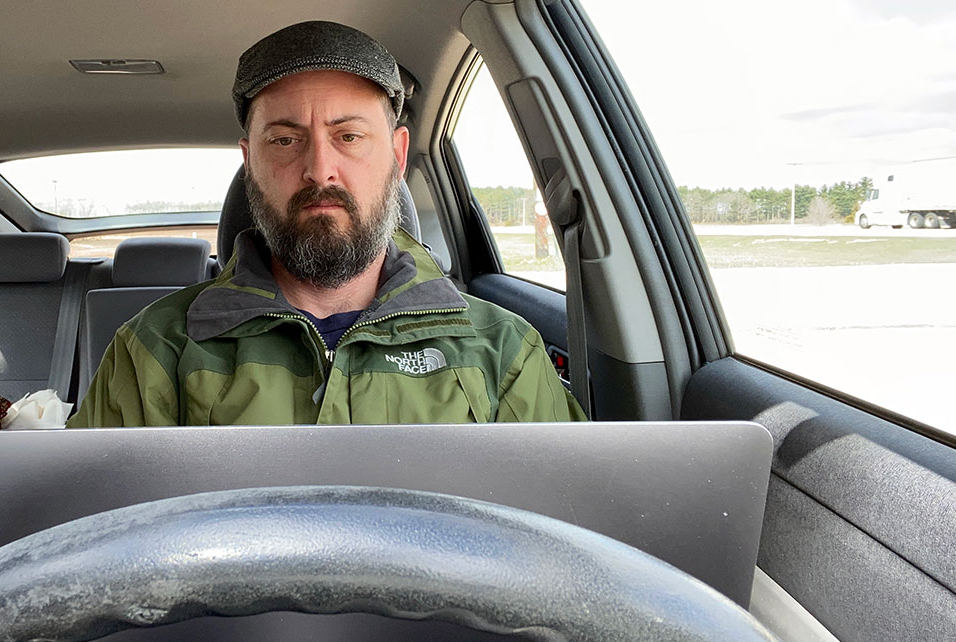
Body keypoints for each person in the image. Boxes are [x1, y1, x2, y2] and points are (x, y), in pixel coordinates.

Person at [68, 20, 585, 427]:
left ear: (397, 156)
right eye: (286, 139)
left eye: (350, 136)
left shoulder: (503, 351)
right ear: (250, 163)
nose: (319, 169)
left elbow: (567, 535)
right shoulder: (156, 350)